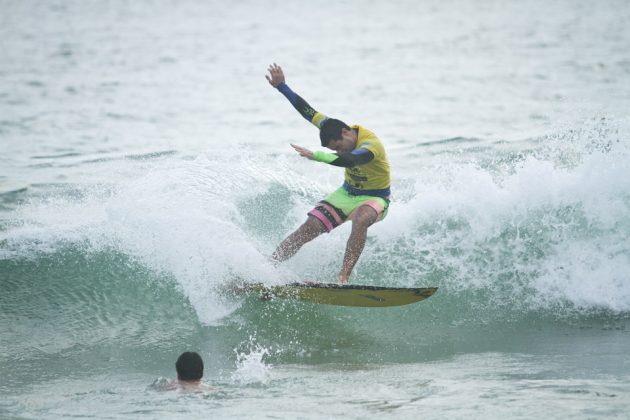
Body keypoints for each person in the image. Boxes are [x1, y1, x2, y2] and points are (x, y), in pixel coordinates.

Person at [265, 63, 391, 284]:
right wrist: (281, 87)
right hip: (347, 194)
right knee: (308, 228)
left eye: (339, 146)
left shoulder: (372, 145)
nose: (339, 150)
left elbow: (350, 159)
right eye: (334, 150)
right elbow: (307, 111)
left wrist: (319, 156)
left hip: (375, 198)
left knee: (361, 219)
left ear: (346, 132)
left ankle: (343, 278)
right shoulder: (331, 126)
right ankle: (266, 267)